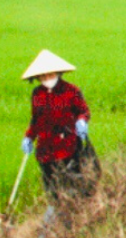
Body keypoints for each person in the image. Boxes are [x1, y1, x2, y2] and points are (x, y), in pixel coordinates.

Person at [20, 49, 94, 228]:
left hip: (67, 146)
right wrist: (29, 137)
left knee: (70, 184)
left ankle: (73, 221)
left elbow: (83, 111)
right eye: (43, 76)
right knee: (52, 188)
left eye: (50, 74)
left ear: (58, 73)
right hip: (45, 150)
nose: (47, 78)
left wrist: (82, 122)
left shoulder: (71, 91)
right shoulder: (37, 94)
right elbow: (36, 119)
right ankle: (54, 221)